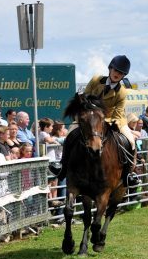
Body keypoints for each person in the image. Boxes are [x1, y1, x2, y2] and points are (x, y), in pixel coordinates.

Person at [49, 55, 138, 187]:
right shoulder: (96, 80)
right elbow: (85, 97)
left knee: (131, 141)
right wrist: (89, 116)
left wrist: (102, 120)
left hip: (114, 119)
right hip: (89, 117)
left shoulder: (122, 92)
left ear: (123, 75)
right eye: (116, 71)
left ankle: (128, 173)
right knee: (70, 134)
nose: (117, 74)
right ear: (110, 69)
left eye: (121, 73)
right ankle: (62, 167)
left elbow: (118, 113)